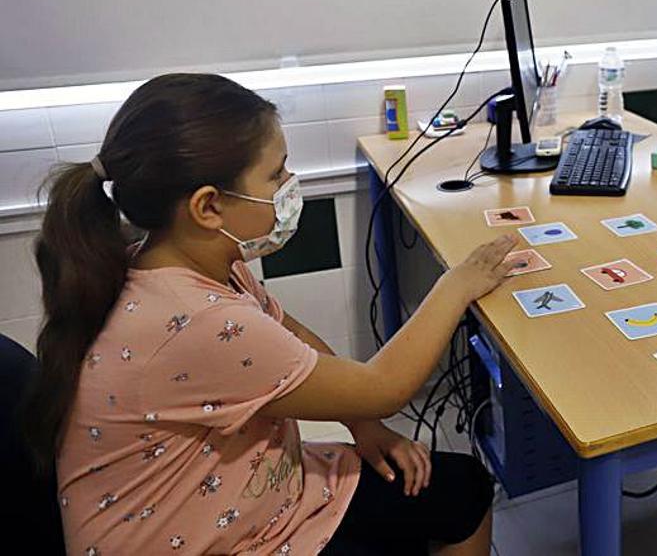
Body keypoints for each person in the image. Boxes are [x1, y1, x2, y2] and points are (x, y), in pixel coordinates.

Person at [24, 73, 514, 555]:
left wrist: (360, 425)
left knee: (462, 489)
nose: (289, 185)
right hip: (214, 536)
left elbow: (290, 340)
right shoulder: (197, 321)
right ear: (209, 207)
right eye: (276, 174)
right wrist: (456, 283)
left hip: (252, 497)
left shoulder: (190, 264)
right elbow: (384, 387)